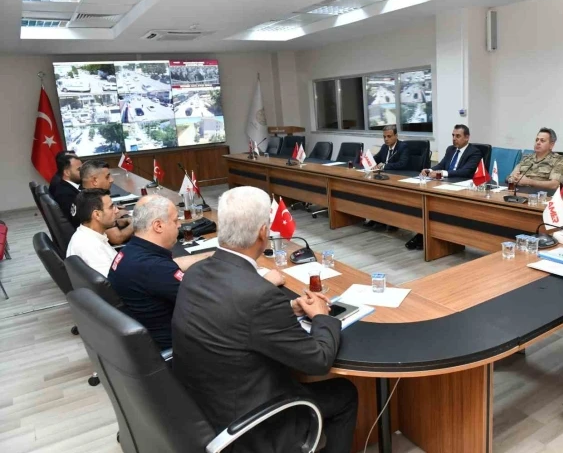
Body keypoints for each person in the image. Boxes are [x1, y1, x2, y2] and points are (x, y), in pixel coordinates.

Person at [172, 187, 358, 453]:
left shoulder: (197, 271)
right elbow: (318, 361)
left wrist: (288, 308)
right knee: (345, 393)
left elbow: (232, 316)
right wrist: (321, 316)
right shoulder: (259, 295)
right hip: (248, 425)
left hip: (200, 407)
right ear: (263, 232)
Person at [108, 195, 213, 350]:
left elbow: (170, 266)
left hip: (144, 341)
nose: (179, 225)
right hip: (178, 347)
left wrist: (212, 256)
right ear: (158, 226)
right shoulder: (155, 268)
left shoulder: (130, 251)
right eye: (175, 221)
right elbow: (205, 304)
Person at [407, 124, 482, 250]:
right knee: (427, 203)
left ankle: (425, 236)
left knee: (437, 207)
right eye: (453, 135)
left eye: (458, 136)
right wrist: (429, 170)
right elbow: (441, 165)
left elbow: (466, 172)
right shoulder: (450, 149)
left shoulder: (474, 152)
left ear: (467, 137)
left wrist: (442, 173)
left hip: (461, 187)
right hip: (445, 184)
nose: (454, 139)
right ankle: (424, 234)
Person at [66, 189, 119, 277]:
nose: (117, 210)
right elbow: (112, 282)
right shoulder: (89, 246)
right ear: (97, 215)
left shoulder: (88, 236)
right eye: (111, 207)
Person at [79, 160, 133, 244]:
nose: (112, 180)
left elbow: (103, 225)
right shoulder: (92, 202)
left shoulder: (83, 197)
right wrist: (136, 224)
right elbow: (117, 238)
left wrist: (122, 221)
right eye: (107, 177)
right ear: (95, 181)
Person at [49, 152, 82, 224]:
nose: (83, 172)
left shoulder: (67, 187)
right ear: (67, 173)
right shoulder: (65, 194)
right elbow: (78, 220)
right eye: (79, 169)